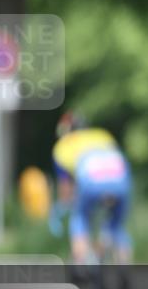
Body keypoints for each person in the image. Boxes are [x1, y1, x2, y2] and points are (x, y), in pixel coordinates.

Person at [51, 111, 133, 264]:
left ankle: (81, 262)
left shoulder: (63, 146)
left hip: (91, 183)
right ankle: (123, 263)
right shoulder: (102, 135)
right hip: (121, 180)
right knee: (116, 225)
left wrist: (63, 205)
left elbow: (66, 188)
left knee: (80, 219)